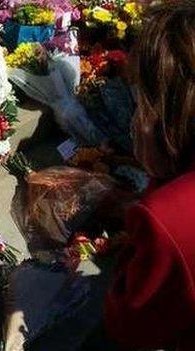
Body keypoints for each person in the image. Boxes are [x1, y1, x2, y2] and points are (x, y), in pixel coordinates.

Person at [104, 1, 195, 351]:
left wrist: (158, 178)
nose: (136, 118)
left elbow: (129, 323)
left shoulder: (168, 219)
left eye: (142, 101)